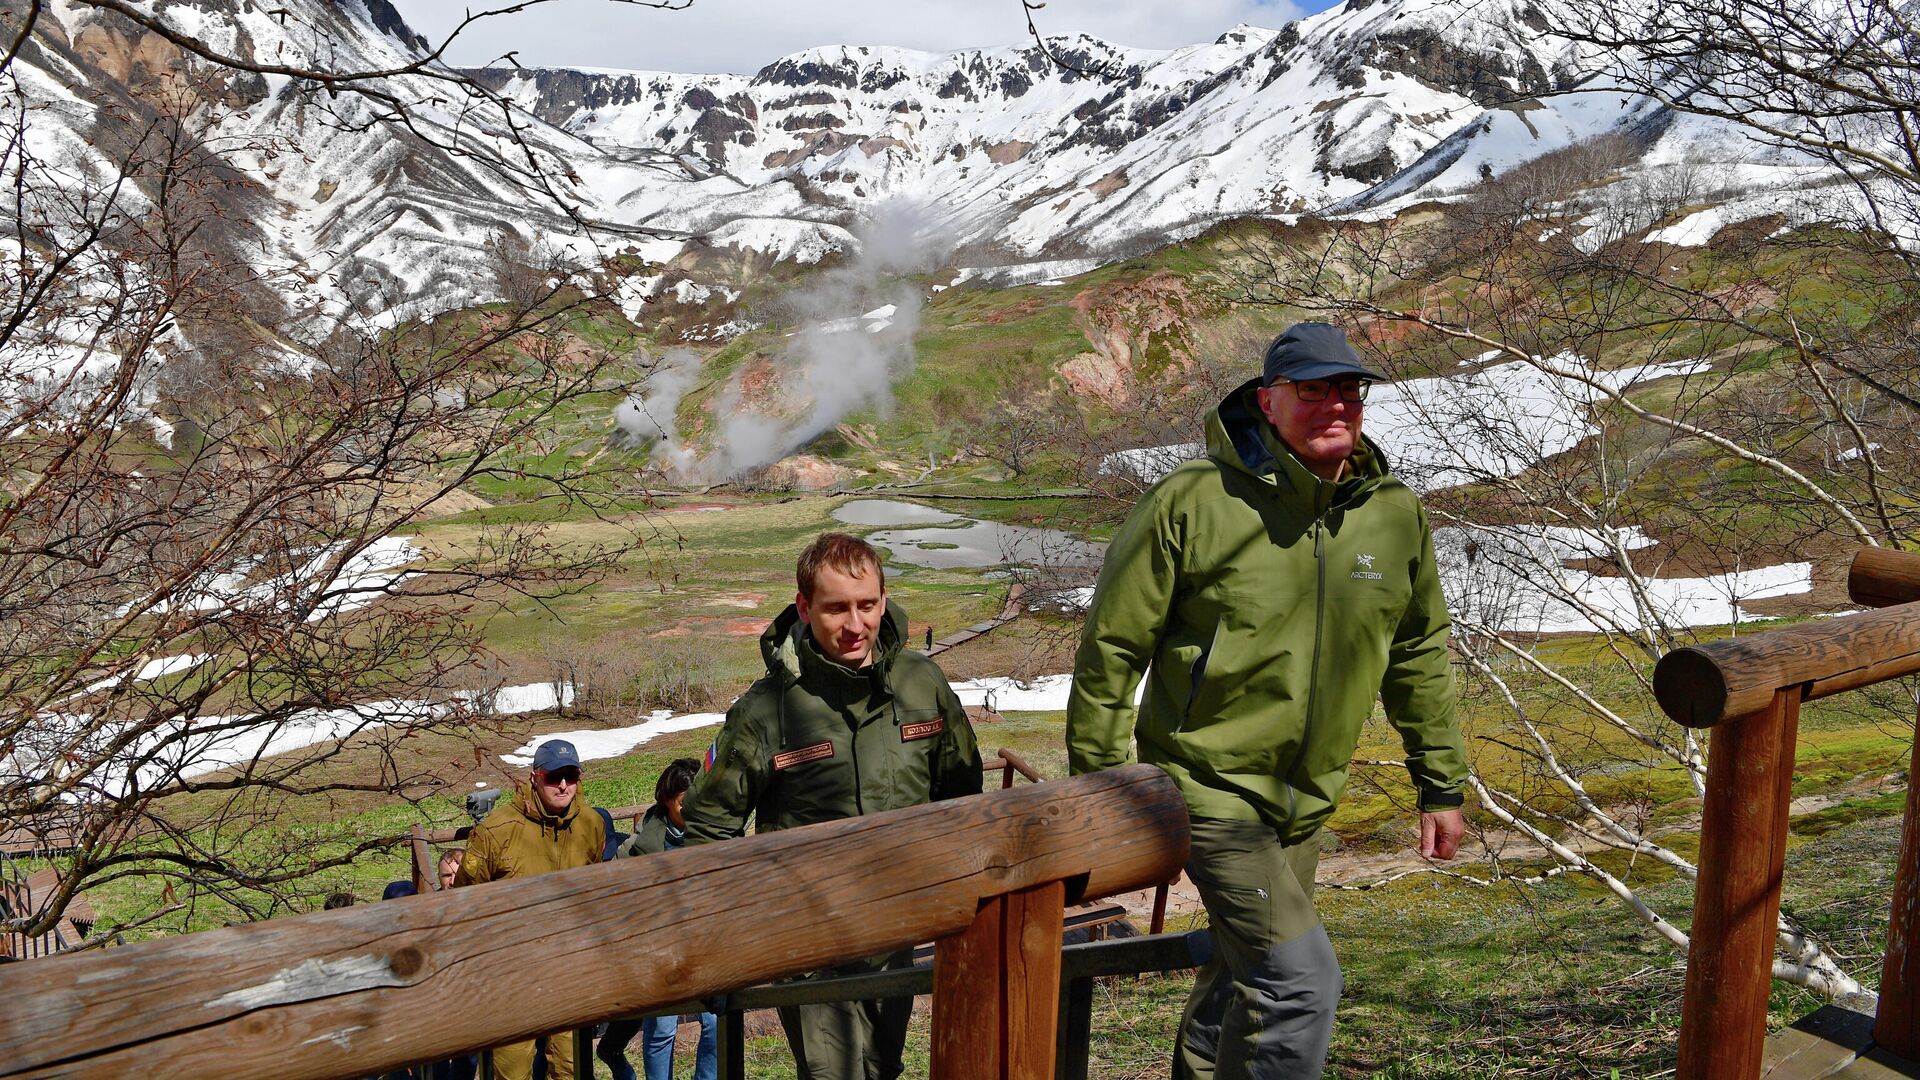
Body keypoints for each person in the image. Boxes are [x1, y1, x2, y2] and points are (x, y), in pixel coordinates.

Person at [1066, 322, 1470, 1080]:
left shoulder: (1391, 512)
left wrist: (1440, 784)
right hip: (1208, 795)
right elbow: (1113, 648)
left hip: (1306, 804)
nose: (1337, 405)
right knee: (1298, 985)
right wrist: (1104, 790)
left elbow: (1417, 652)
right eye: (1312, 389)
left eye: (1350, 390)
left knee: (1237, 984)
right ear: (1267, 400)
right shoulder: (1194, 502)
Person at [681, 531, 984, 1080]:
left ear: (884, 600)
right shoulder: (766, 709)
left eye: (867, 605)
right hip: (808, 941)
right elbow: (708, 826)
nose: (855, 625)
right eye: (836, 608)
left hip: (898, 926)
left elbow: (962, 798)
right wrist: (725, 935)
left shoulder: (922, 684)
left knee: (882, 1067)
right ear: (804, 607)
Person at [452, 738, 606, 1080]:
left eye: (571, 775)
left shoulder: (592, 825)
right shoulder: (496, 831)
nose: (563, 785)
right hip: (513, 971)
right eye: (554, 777)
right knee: (512, 1071)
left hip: (570, 967)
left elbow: (594, 885)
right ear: (534, 777)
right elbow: (464, 901)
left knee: (570, 1067)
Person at [601, 758, 716, 1080]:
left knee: (715, 1022)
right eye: (683, 802)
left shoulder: (715, 831)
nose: (691, 809)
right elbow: (617, 889)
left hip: (705, 942)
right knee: (663, 1026)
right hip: (659, 946)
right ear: (667, 799)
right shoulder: (642, 843)